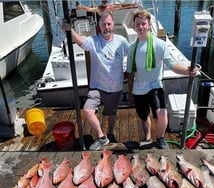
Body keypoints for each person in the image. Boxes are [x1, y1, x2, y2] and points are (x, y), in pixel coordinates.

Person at [127, 10, 198, 149]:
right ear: (134, 26)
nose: (141, 27)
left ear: (149, 25)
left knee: (162, 113)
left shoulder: (159, 45)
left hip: (155, 85)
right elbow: (130, 73)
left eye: (143, 24)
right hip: (138, 88)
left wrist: (188, 70)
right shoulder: (132, 48)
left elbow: (173, 65)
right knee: (144, 115)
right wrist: (130, 91)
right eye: (138, 24)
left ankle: (160, 138)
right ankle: (147, 136)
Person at [62, 11, 129, 150]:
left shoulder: (121, 41)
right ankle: (101, 136)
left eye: (109, 24)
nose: (106, 27)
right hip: (97, 86)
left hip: (115, 86)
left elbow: (133, 54)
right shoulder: (93, 41)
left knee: (111, 113)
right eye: (103, 24)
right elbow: (80, 41)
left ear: (113, 25)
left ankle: (110, 133)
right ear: (99, 25)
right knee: (87, 110)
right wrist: (70, 30)